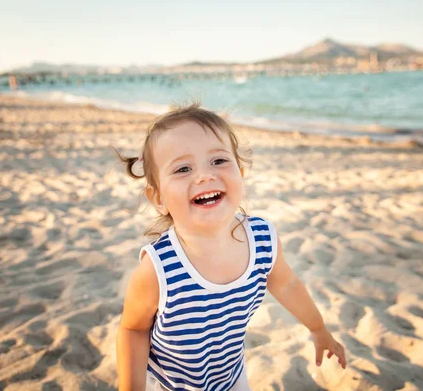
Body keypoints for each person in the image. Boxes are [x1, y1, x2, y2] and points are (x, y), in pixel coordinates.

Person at [115, 103, 346, 391]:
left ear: (241, 173)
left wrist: (318, 328)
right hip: (168, 384)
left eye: (219, 161)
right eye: (183, 168)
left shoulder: (262, 239)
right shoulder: (158, 268)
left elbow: (287, 285)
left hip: (231, 376)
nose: (204, 176)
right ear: (158, 198)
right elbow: (134, 329)